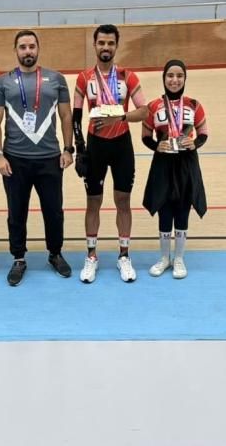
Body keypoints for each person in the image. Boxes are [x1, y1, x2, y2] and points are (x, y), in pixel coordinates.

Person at [0, 29, 74, 286]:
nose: (28, 51)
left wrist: (68, 149)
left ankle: (55, 253)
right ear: (16, 50)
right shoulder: (2, 82)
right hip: (15, 159)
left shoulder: (56, 79)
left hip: (50, 158)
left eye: (32, 46)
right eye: (23, 47)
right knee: (16, 212)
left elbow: (66, 116)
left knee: (54, 211)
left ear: (38, 49)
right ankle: (18, 258)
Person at [73, 24, 148, 283]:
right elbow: (76, 115)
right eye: (101, 42)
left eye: (110, 43)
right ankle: (91, 256)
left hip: (121, 145)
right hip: (95, 146)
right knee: (93, 201)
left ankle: (124, 255)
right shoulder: (84, 78)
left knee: (123, 201)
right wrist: (79, 147)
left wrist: (121, 116)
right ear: (94, 45)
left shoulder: (128, 76)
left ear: (117, 46)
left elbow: (144, 111)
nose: (106, 47)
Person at [142, 59, 208, 279]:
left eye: (179, 76)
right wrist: (156, 146)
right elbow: (145, 136)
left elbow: (203, 133)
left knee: (182, 209)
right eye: (170, 75)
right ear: (164, 78)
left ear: (185, 79)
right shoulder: (153, 106)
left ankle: (179, 258)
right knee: (164, 209)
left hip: (186, 164)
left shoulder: (194, 104)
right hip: (163, 163)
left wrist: (195, 143)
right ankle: (164, 258)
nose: (175, 80)